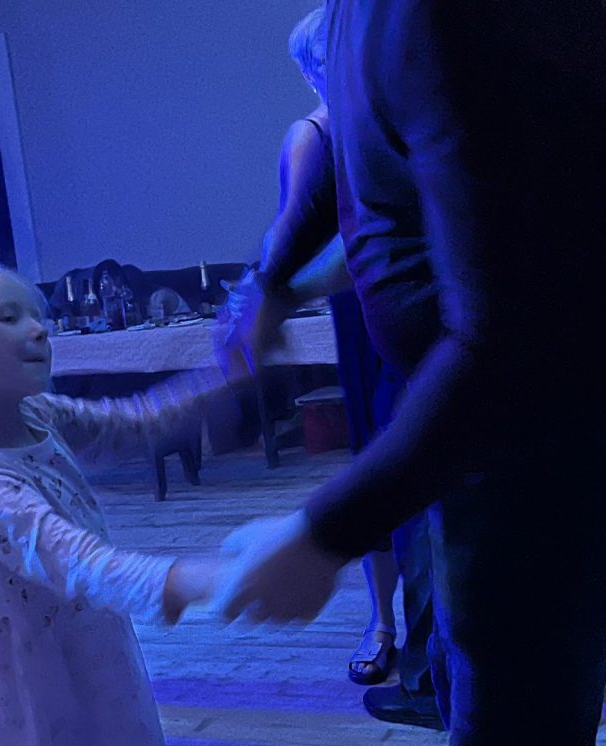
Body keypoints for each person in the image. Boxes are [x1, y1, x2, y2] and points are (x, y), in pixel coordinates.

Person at [215, 3, 606, 743]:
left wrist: (322, 534)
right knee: (465, 668)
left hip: (556, 422)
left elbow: (509, 334)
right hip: (486, 414)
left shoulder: (440, 13)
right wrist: (271, 280)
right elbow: (359, 140)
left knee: (515, 716)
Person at [0, 262, 223, 745]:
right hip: (35, 677)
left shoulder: (37, 413)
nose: (39, 329)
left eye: (35, 315)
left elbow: (136, 422)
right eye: (9, 317)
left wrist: (226, 375)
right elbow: (70, 557)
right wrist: (176, 581)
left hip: (85, 638)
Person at [224, 8, 438, 726]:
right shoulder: (321, 133)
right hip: (372, 314)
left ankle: (428, 657)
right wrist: (267, 293)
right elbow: (301, 235)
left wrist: (268, 295)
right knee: (396, 465)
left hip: (390, 314)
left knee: (409, 471)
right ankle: (392, 629)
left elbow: (309, 243)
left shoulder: (369, 124)